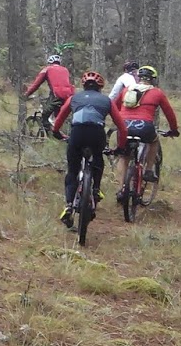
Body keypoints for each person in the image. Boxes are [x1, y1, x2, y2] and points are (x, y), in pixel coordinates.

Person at [52, 71, 129, 229]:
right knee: (98, 160)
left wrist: (57, 133)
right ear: (100, 87)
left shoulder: (74, 98)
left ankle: (68, 205)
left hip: (77, 134)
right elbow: (122, 127)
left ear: (84, 85)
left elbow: (59, 118)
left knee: (72, 171)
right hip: (96, 134)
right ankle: (95, 189)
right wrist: (120, 147)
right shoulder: (106, 100)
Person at [113, 63, 179, 189]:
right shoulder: (157, 92)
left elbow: (114, 107)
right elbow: (169, 113)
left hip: (124, 126)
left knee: (123, 157)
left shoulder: (126, 90)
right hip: (144, 126)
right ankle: (148, 170)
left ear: (138, 78)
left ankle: (121, 190)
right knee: (153, 141)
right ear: (153, 79)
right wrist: (173, 130)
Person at [24, 53, 74, 137]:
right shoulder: (65, 70)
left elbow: (36, 84)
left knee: (44, 116)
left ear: (49, 62)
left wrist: (27, 94)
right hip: (69, 96)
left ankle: (54, 137)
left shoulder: (47, 69)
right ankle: (64, 133)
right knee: (59, 115)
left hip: (57, 96)